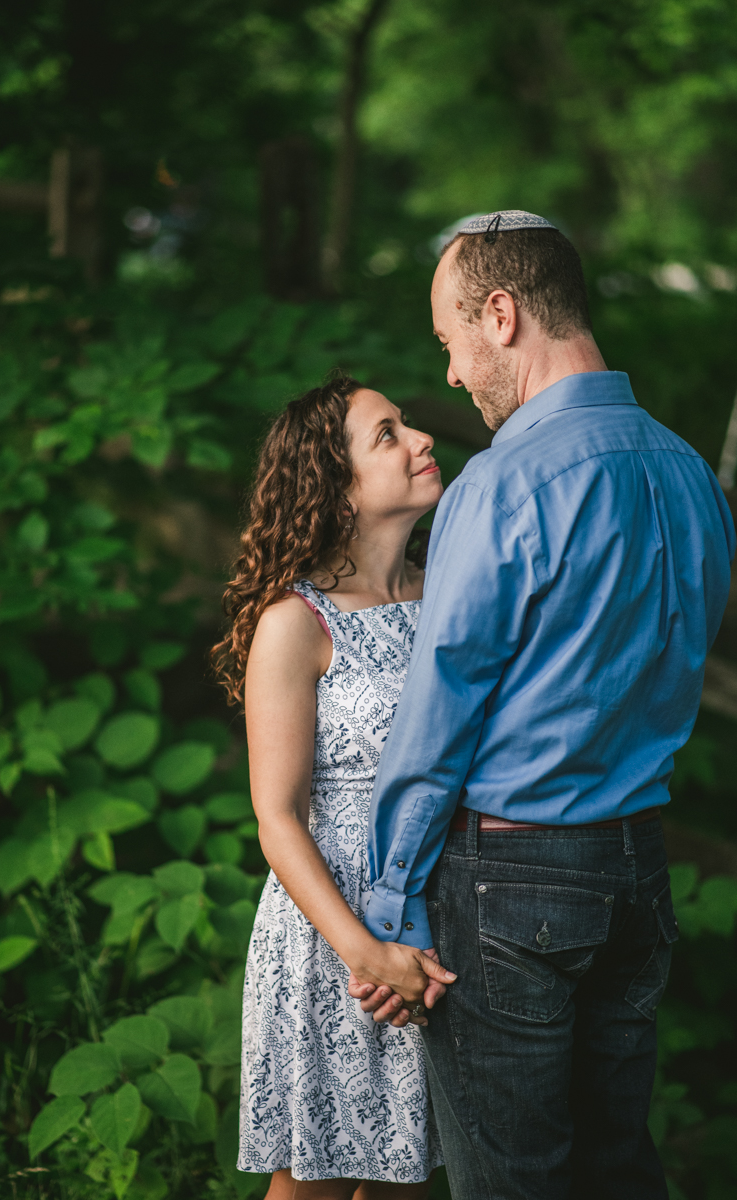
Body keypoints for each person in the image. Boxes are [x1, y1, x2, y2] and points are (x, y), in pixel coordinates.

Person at [349, 210, 737, 1199]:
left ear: (501, 313)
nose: (448, 375)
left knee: (514, 1183)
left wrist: (389, 902)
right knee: (615, 1171)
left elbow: (440, 714)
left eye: (449, 342)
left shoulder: (502, 485)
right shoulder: (690, 475)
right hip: (635, 867)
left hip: (507, 881)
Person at [212, 376, 455, 1199]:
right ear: (336, 487)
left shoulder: (451, 594)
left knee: (409, 1175)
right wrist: (367, 955)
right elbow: (276, 818)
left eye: (406, 424)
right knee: (316, 1178)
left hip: (441, 908)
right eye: (388, 434)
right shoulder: (295, 622)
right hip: (332, 932)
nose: (421, 439)